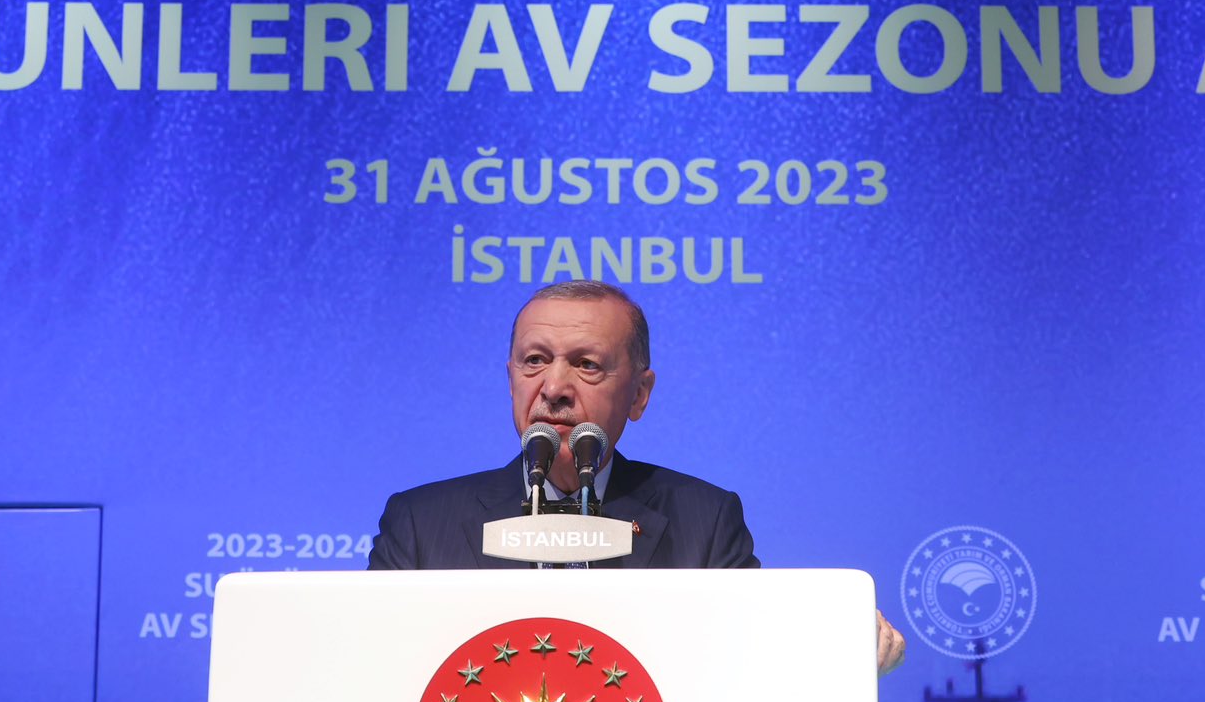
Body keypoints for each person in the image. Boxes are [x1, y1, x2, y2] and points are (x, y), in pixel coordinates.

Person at [367, 280, 906, 674]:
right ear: (510, 379)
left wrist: (839, 652)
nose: (553, 387)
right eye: (534, 360)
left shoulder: (704, 521)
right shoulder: (421, 524)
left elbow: (754, 659)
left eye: (587, 364)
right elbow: (371, 668)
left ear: (640, 394)